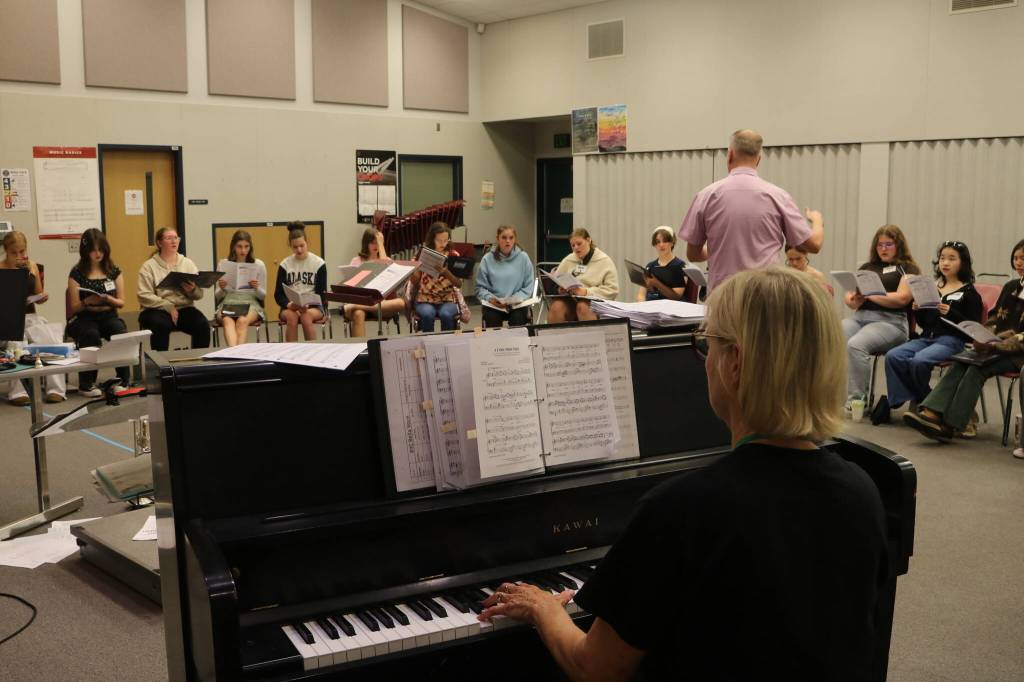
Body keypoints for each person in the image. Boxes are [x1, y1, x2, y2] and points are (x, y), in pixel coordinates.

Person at [479, 267, 888, 680]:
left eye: (704, 346)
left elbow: (595, 667)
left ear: (734, 363)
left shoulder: (685, 508)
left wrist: (543, 608)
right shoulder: (862, 490)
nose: (704, 361)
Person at [904, 239, 1024, 443]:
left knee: (977, 368)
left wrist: (997, 344)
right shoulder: (1011, 286)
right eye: (1016, 258)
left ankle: (951, 424)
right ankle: (932, 412)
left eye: (1023, 259)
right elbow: (994, 317)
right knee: (962, 360)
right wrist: (981, 335)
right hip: (994, 346)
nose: (1019, 263)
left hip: (1017, 353)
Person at [679, 129, 824, 291]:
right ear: (758, 160)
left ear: (730, 155)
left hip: (723, 296)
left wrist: (719, 249)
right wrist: (817, 221)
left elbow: (693, 254)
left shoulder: (706, 196)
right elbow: (814, 245)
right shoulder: (778, 196)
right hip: (765, 294)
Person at [878, 241, 981, 424]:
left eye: (951, 258)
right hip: (928, 337)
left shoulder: (969, 292)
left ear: (962, 263)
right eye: (942, 258)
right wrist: (918, 310)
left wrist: (952, 313)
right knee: (894, 356)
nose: (945, 263)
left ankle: (923, 403)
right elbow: (925, 324)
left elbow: (973, 327)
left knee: (919, 361)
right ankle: (926, 400)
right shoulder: (932, 287)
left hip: (952, 340)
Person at [842, 225, 921, 410]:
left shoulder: (908, 268)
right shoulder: (867, 267)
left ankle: (856, 402)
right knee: (832, 335)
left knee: (855, 345)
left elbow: (902, 298)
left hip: (890, 322)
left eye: (888, 244)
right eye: (880, 245)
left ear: (898, 245)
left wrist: (871, 295)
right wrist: (853, 298)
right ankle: (826, 395)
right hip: (860, 316)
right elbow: (851, 299)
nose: (883, 249)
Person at [0, 230, 66, 403]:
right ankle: (18, 392)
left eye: (22, 251)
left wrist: (41, 294)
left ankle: (56, 389)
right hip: (7, 319)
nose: (19, 256)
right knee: (17, 341)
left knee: (50, 338)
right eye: (14, 252)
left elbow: (38, 294)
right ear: (6, 251)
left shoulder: (33, 266)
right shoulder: (1, 268)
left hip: (30, 316)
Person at [66, 229, 131, 397]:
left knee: (119, 332)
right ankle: (86, 384)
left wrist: (109, 300)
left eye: (101, 249)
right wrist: (88, 301)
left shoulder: (114, 271)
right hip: (84, 317)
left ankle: (123, 379)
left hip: (108, 314)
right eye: (94, 250)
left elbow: (122, 302)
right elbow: (74, 307)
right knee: (90, 334)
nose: (98, 254)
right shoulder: (76, 273)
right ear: (86, 251)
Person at [138, 226, 210, 352]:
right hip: (156, 309)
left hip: (183, 308)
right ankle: (162, 365)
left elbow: (199, 295)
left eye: (176, 238)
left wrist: (192, 290)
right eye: (169, 238)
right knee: (161, 325)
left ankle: (198, 363)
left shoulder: (187, 263)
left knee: (202, 325)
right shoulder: (148, 266)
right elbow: (143, 295)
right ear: (159, 243)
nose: (174, 241)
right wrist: (167, 305)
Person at [546, 228, 618, 323]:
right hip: (571, 300)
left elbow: (612, 290)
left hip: (595, 302)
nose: (576, 248)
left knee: (583, 307)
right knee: (556, 307)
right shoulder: (568, 260)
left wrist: (586, 292)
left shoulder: (604, 260)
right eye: (573, 245)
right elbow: (555, 284)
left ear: (588, 240)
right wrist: (560, 290)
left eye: (579, 244)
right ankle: (555, 337)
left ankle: (590, 337)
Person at [343, 228, 405, 337]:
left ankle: (355, 306)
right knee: (358, 314)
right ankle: (359, 349)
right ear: (366, 243)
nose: (376, 246)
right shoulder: (356, 261)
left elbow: (386, 266)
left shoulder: (385, 259)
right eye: (372, 243)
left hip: (383, 303)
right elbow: (351, 287)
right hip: (363, 299)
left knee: (401, 303)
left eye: (378, 243)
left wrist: (381, 245)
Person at [274, 222, 327, 342]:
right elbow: (278, 294)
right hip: (290, 306)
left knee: (305, 316)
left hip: (314, 306)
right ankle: (292, 354)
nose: (299, 249)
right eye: (295, 247)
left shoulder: (319, 264)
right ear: (290, 246)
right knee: (292, 318)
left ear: (307, 242)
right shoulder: (285, 265)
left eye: (302, 245)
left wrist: (308, 305)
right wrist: (290, 305)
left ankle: (312, 353)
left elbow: (321, 293)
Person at [476, 225, 535, 328]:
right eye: (504, 237)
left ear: (515, 239)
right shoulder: (487, 259)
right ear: (497, 238)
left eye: (511, 238)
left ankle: (518, 344)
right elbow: (479, 288)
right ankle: (494, 344)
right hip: (494, 304)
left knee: (518, 319)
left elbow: (528, 286)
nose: (508, 241)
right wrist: (490, 298)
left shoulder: (523, 257)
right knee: (492, 318)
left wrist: (515, 299)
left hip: (516, 304)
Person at [215, 230, 267, 347]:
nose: (243, 251)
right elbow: (217, 296)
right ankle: (235, 355)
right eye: (239, 247)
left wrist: (257, 288)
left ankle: (235, 355)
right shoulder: (224, 264)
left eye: (246, 247)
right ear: (233, 247)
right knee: (227, 320)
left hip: (250, 303)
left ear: (250, 247)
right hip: (229, 302)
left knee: (242, 321)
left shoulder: (258, 264)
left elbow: (262, 296)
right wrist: (222, 288)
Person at [410, 222, 462, 332]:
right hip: (425, 298)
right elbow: (415, 282)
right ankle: (429, 346)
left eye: (446, 240)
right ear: (432, 239)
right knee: (428, 314)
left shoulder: (453, 255)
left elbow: (459, 283)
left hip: (447, 299)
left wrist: (446, 273)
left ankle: (446, 345)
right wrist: (415, 268)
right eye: (439, 240)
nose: (443, 243)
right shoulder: (423, 253)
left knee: (446, 314)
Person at [635, 226, 687, 302]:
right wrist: (642, 307)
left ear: (672, 243)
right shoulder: (650, 266)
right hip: (649, 308)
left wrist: (656, 284)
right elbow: (641, 295)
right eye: (658, 242)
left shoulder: (680, 266)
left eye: (665, 241)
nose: (661, 245)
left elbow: (676, 297)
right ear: (654, 245)